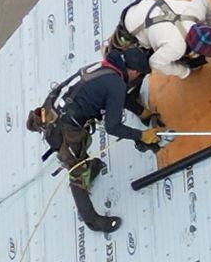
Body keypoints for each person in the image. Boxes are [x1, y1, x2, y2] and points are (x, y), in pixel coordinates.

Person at [25, 46, 165, 234]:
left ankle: (91, 170)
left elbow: (117, 97)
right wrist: (140, 136)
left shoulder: (106, 67)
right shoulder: (116, 84)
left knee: (83, 161)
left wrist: (142, 112)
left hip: (51, 112)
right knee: (77, 170)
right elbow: (112, 126)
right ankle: (93, 221)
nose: (137, 77)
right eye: (139, 74)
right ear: (132, 70)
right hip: (62, 130)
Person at [109, 0, 211, 80]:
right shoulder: (176, 47)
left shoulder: (195, 13)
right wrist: (184, 72)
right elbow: (155, 62)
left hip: (143, 6)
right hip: (130, 25)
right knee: (141, 65)